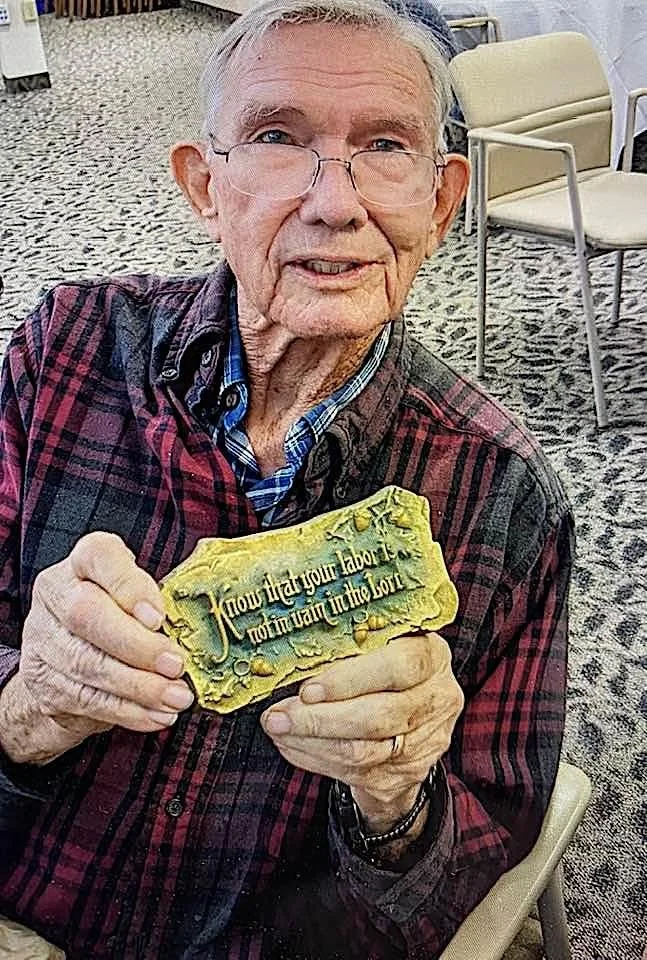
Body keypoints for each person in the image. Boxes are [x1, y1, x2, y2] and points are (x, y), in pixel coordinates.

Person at [0, 0, 573, 957]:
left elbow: (488, 832)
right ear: (203, 185)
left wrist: (397, 799)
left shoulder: (504, 492)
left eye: (385, 146)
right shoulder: (67, 350)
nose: (335, 203)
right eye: (277, 137)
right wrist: (29, 707)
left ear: (440, 203)